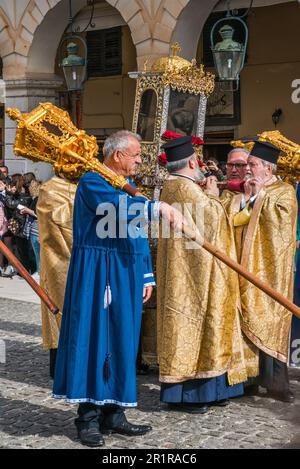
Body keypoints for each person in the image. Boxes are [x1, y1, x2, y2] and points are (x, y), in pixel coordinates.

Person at [53, 130, 184, 447]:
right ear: (117, 155)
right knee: (94, 335)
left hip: (124, 269)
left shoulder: (123, 184)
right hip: (97, 269)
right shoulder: (93, 181)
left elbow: (135, 233)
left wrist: (145, 274)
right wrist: (159, 208)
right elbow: (117, 212)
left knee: (123, 338)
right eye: (136, 154)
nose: (140, 159)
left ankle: (115, 412)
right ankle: (88, 417)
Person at [157, 136, 246, 414]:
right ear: (193, 162)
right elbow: (213, 222)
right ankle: (191, 395)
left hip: (190, 268)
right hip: (194, 274)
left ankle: (213, 389)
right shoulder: (185, 189)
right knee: (195, 327)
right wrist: (213, 196)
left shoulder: (171, 187)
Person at [227, 140, 297, 402]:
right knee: (246, 320)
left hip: (272, 271)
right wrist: (247, 198)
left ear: (268, 169)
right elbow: (235, 220)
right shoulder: (245, 190)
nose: (247, 170)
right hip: (246, 267)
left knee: (273, 320)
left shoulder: (284, 191)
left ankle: (278, 385)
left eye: (252, 165)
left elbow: (281, 222)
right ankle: (250, 380)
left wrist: (258, 197)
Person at [36, 175, 77, 378]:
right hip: (57, 262)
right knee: (58, 311)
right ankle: (60, 368)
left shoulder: (82, 186)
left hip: (79, 260)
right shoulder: (50, 189)